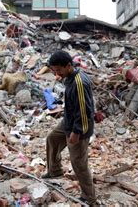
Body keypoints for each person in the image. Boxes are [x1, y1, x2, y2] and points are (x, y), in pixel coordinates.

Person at [43, 50, 96, 205]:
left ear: (68, 66)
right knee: (52, 139)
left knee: (79, 163)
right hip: (69, 120)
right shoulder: (70, 76)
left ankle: (89, 197)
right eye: (54, 70)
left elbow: (85, 111)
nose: (56, 74)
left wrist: (76, 132)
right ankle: (55, 171)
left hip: (79, 126)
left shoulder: (79, 82)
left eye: (58, 70)